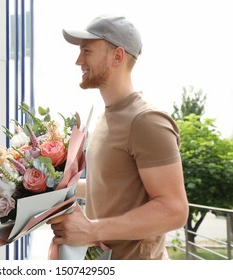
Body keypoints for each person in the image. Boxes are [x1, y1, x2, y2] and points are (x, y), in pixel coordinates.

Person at [47, 15, 189, 260]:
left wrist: (92, 229)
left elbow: (174, 210)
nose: (78, 61)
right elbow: (109, 186)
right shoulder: (107, 117)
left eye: (87, 51)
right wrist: (47, 193)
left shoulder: (146, 121)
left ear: (118, 56)